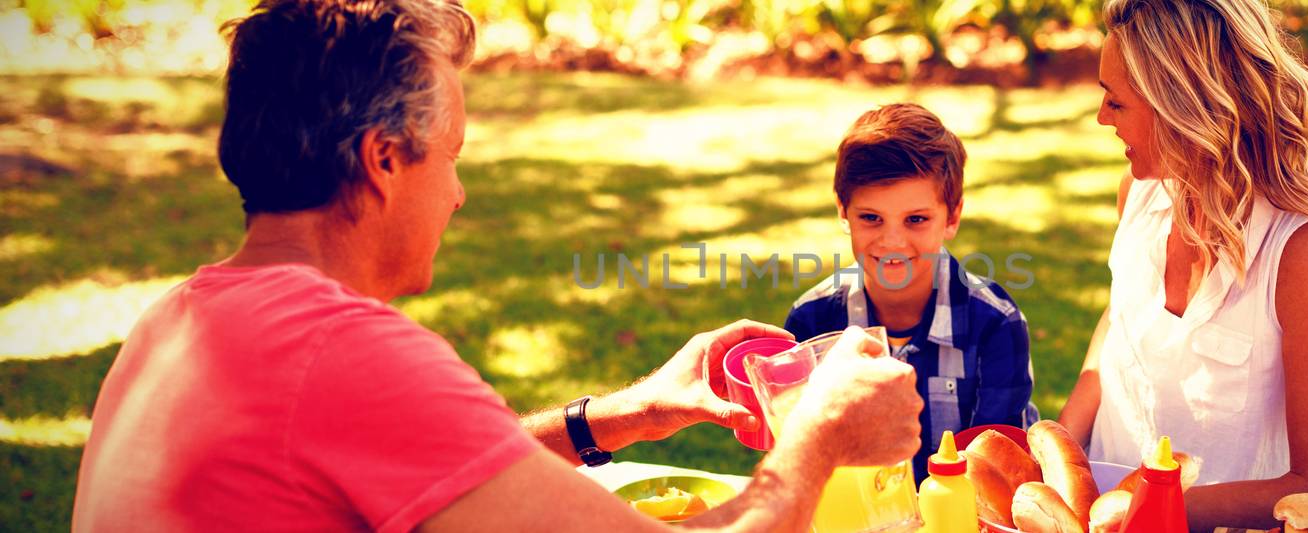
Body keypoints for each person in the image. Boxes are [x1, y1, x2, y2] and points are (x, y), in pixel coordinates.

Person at [71, 0, 923, 531]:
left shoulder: (184, 319)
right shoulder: (341, 352)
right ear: (383, 160)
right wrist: (819, 437)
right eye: (451, 155)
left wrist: (627, 414)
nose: (460, 193)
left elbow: (443, 477)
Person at [1056, 0, 1308, 530]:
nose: (1101, 118)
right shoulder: (1141, 193)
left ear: (1186, 108)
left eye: (1117, 103)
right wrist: (1064, 449)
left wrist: (1147, 513)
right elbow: (1122, 320)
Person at [784, 103, 1038, 482]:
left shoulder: (995, 324)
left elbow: (998, 469)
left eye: (915, 219)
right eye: (871, 218)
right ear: (843, 212)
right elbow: (797, 457)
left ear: (951, 218)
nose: (892, 242)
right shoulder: (813, 321)